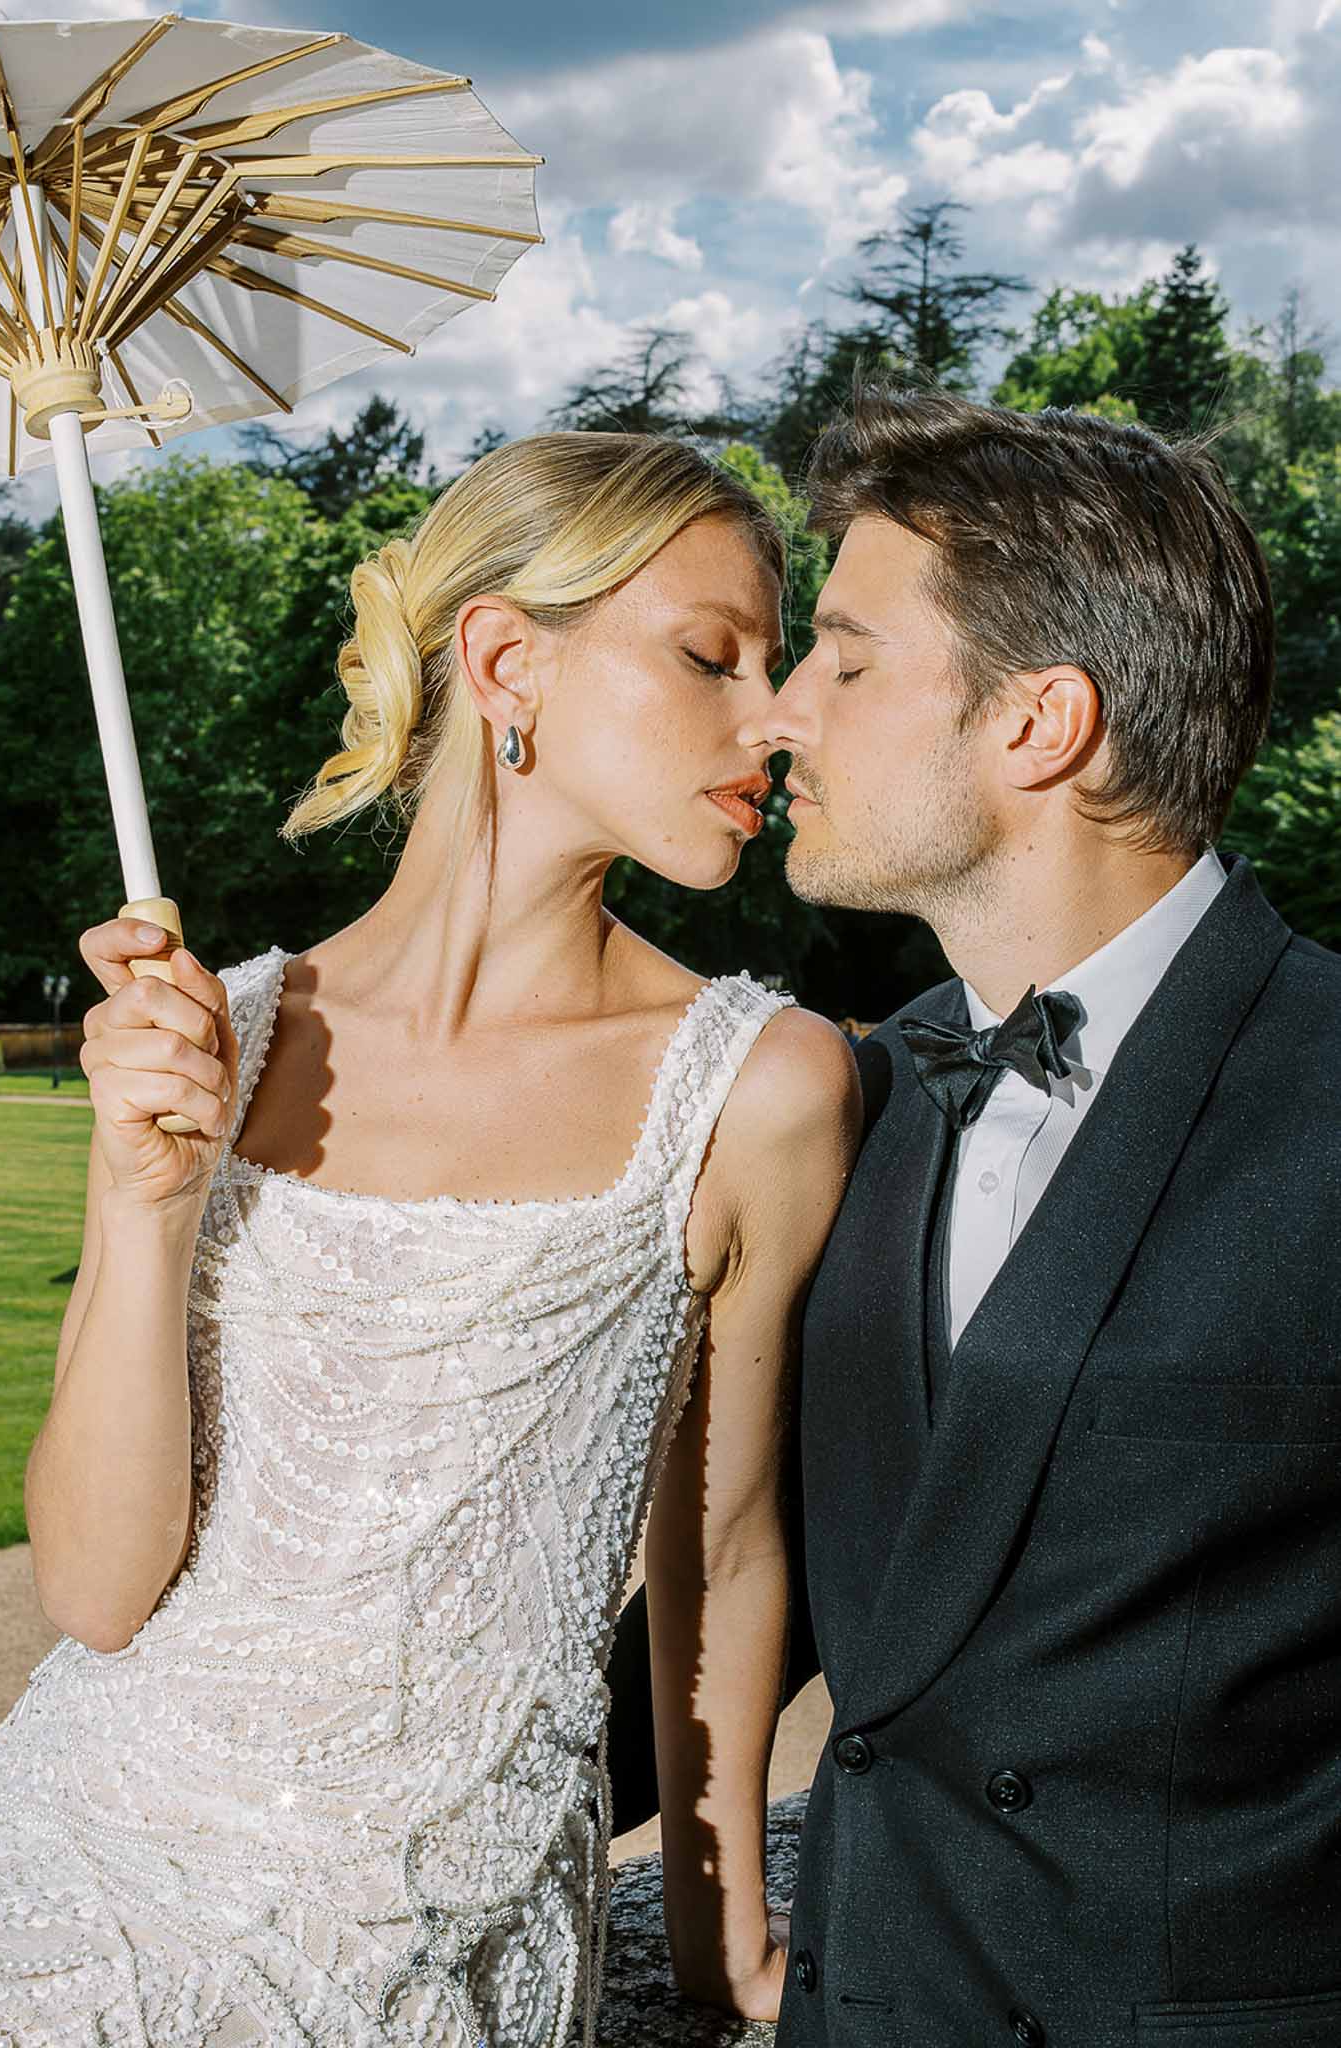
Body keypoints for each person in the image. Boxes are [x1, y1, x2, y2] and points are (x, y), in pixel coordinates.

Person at [0, 432, 860, 2048]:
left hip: (443, 1953)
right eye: (709, 656)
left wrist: (721, 1943)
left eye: (780, 665)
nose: (776, 716)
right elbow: (99, 1595)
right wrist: (141, 1199)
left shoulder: (761, 1088)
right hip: (66, 1891)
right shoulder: (207, 1040)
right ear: (509, 660)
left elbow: (719, 1550)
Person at [606, 384, 1341, 2044]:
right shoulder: (844, 1101)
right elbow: (744, 1572)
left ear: (1039, 725)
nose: (781, 715)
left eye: (846, 662)